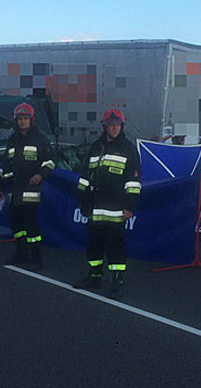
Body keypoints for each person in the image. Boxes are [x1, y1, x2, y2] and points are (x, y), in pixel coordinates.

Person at [74, 108, 141, 299]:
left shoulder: (129, 149)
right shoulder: (96, 147)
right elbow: (85, 176)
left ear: (122, 126)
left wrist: (130, 206)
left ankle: (117, 281)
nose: (114, 128)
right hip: (95, 208)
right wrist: (82, 200)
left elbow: (134, 182)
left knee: (115, 247)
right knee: (93, 246)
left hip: (116, 210)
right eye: (111, 125)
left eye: (117, 125)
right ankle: (94, 277)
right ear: (105, 126)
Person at [0, 102, 55, 271]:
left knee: (31, 227)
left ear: (31, 120)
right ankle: (21, 253)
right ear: (16, 121)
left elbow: (50, 162)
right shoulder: (12, 140)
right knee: (17, 226)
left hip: (30, 192)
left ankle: (36, 257)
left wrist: (40, 175)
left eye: (25, 119)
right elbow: (5, 166)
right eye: (20, 119)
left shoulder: (40, 139)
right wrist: (0, 187)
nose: (23, 122)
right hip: (13, 192)